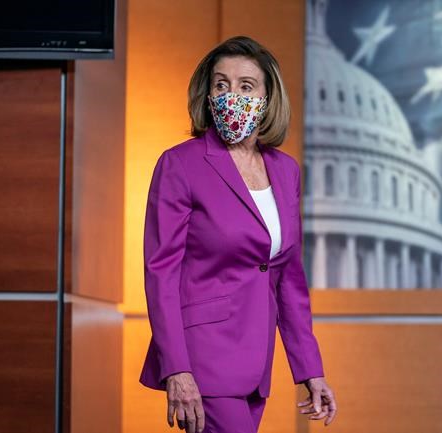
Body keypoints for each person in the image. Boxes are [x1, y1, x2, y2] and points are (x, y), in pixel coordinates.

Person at [139, 35, 337, 433]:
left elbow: (287, 279)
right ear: (208, 94)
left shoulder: (285, 171)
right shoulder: (180, 164)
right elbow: (161, 273)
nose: (232, 95)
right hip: (202, 361)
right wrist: (176, 368)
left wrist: (310, 369)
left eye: (246, 86)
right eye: (221, 85)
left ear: (267, 97)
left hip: (255, 362)